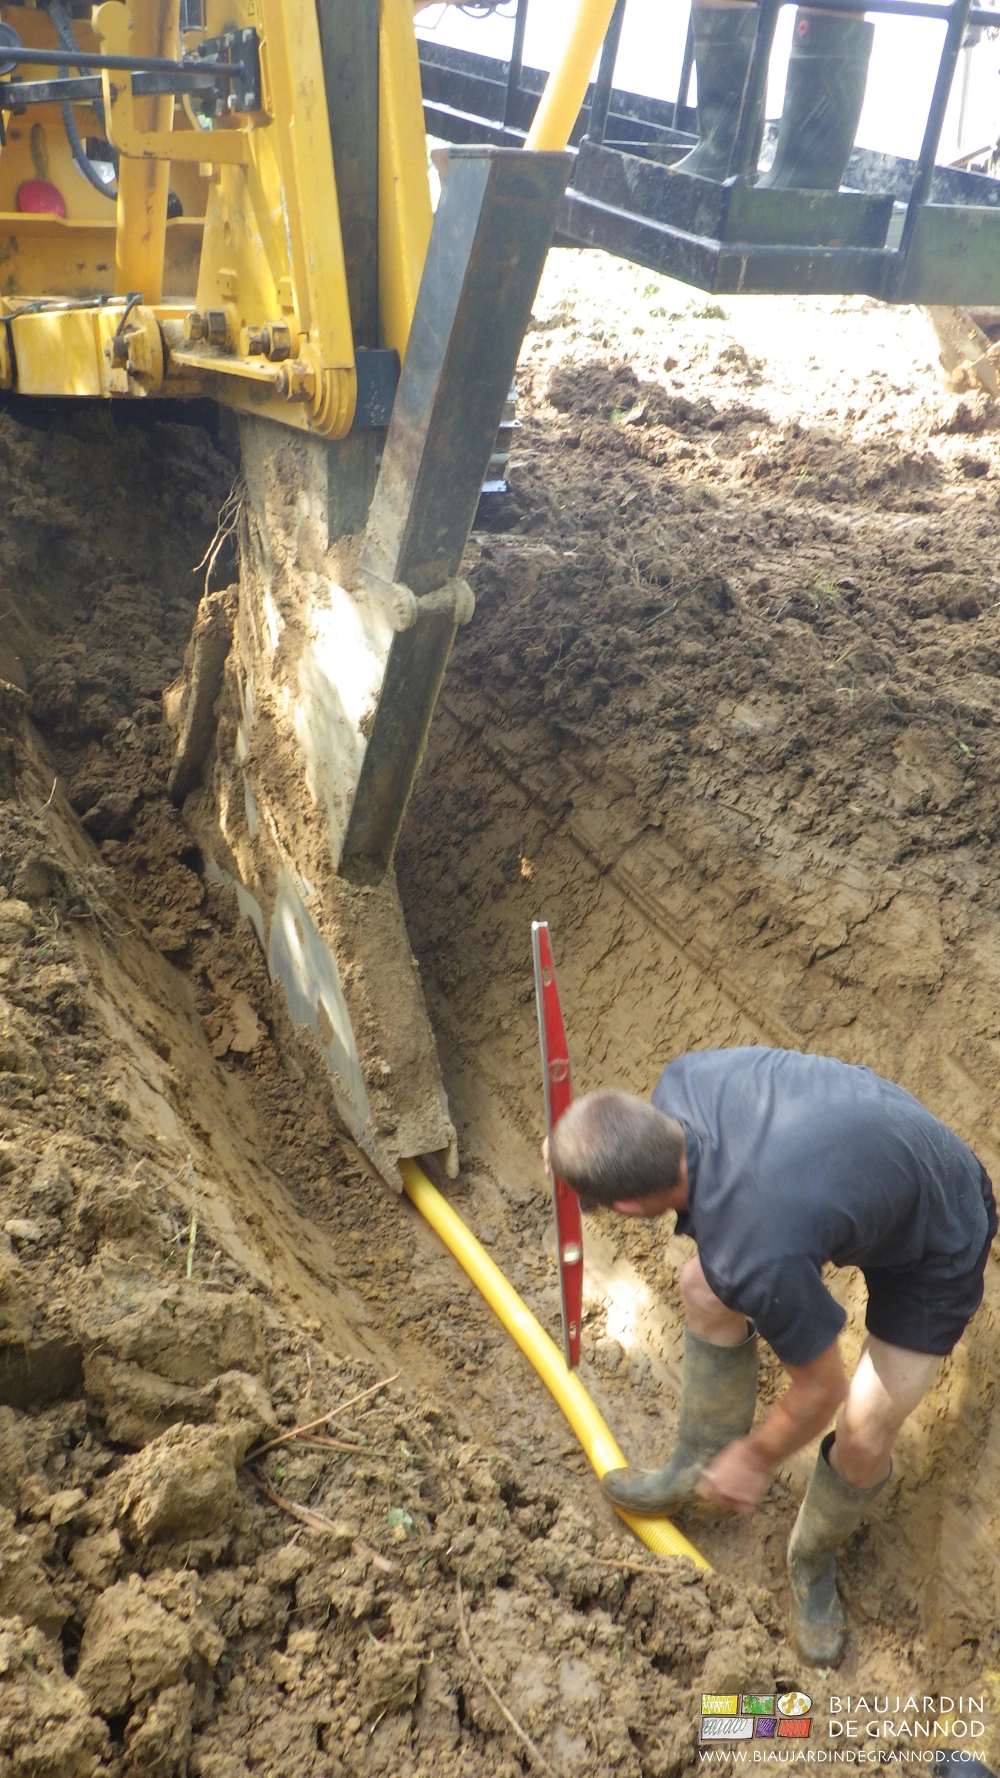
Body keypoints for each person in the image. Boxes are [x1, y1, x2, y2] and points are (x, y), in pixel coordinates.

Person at [546, 1046, 996, 1667]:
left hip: (941, 1228)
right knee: (703, 1285)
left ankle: (811, 1561)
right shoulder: (684, 1082)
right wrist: (568, 1149)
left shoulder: (754, 1247)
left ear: (627, 1207)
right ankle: (696, 1460)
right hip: (873, 1162)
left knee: (864, 1431)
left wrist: (754, 1459)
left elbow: (821, 1389)